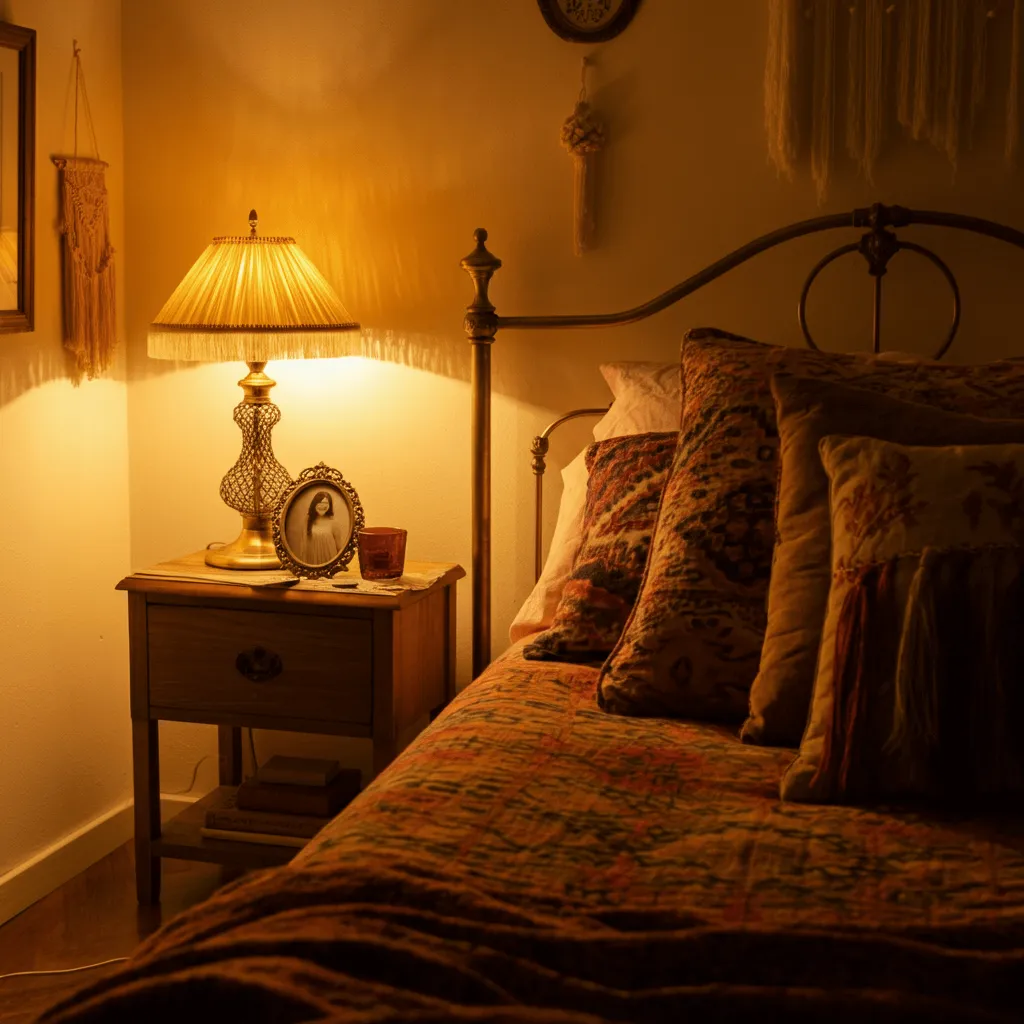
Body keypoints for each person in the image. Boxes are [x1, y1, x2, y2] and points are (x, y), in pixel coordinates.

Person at [302, 489, 343, 565]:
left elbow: (339, 548)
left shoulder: (333, 523)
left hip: (330, 560)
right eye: (320, 502)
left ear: (329, 505)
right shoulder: (308, 520)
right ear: (314, 504)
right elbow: (304, 546)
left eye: (326, 503)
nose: (322, 505)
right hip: (313, 561)